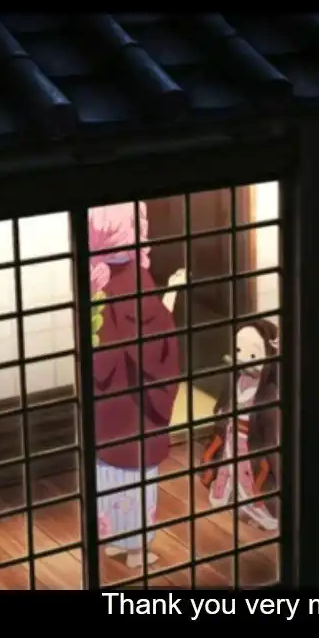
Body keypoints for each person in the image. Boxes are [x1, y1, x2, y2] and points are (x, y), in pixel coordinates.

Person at [89, 202, 186, 569]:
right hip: (136, 405)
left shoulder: (95, 278)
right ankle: (136, 551)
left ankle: (113, 540)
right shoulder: (134, 280)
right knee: (136, 470)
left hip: (108, 398)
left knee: (109, 469)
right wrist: (172, 296)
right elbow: (153, 336)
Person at [199, 320, 280, 531]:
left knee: (249, 477)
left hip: (251, 444)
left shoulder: (270, 393)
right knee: (226, 471)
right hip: (231, 438)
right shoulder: (235, 381)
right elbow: (223, 410)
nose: (243, 359)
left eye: (252, 355)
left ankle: (253, 503)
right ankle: (225, 492)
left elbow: (271, 437)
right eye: (238, 351)